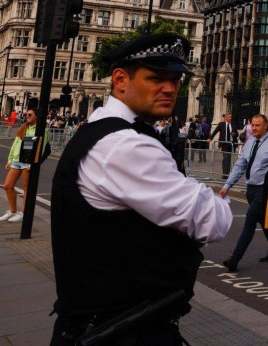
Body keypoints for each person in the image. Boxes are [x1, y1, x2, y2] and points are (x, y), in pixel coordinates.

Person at [49, 33, 232, 345]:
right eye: (156, 78)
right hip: (123, 330)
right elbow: (214, 221)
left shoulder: (98, 130)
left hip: (100, 324)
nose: (170, 88)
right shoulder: (125, 145)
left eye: (175, 79)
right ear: (121, 80)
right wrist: (198, 190)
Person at [218, 113, 268, 272]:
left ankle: (235, 259)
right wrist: (227, 185)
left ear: (266, 125)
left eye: (257, 125)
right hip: (251, 189)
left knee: (250, 220)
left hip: (265, 190)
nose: (254, 128)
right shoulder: (250, 143)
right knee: (262, 220)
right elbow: (240, 166)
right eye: (252, 125)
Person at [3, 108, 45, 223]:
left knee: (26, 187)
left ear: (36, 116)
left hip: (28, 161)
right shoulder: (23, 127)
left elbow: (41, 147)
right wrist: (10, 159)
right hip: (16, 159)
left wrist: (34, 162)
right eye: (26, 114)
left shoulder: (41, 129)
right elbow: (15, 143)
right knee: (7, 185)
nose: (27, 116)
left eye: (30, 114)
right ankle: (12, 210)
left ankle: (23, 212)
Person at [210, 113, 237, 179]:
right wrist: (210, 138)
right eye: (228, 117)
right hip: (224, 143)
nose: (229, 118)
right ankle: (224, 173)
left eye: (230, 117)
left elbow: (237, 134)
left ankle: (227, 173)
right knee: (225, 158)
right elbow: (215, 131)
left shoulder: (233, 124)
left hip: (231, 144)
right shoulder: (221, 124)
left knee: (229, 159)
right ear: (225, 118)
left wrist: (234, 134)